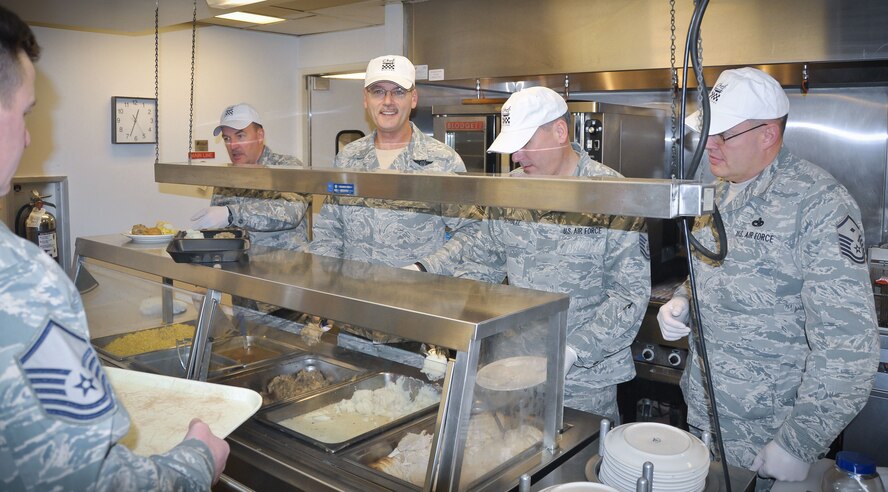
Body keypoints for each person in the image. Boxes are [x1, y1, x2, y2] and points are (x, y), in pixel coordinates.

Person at [0, 6, 230, 490]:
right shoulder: (21, 279)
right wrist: (197, 461)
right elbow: (86, 480)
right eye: (23, 113)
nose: (26, 136)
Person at [656, 67, 880, 487]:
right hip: (704, 413)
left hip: (770, 432)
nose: (711, 147)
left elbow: (849, 347)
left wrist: (798, 443)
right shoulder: (715, 191)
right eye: (708, 134)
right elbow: (711, 266)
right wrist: (684, 298)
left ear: (768, 135)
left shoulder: (818, 204)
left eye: (724, 135)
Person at [416, 87, 651, 423]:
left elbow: (629, 295)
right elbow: (483, 263)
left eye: (525, 144)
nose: (516, 157)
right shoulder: (510, 190)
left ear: (559, 131)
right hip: (512, 371)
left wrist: (573, 350)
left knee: (575, 465)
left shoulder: (612, 193)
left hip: (585, 379)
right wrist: (455, 318)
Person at [309, 55, 482, 342]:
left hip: (417, 320)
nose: (387, 101)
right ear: (366, 99)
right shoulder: (349, 157)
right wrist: (321, 290)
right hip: (354, 319)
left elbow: (473, 233)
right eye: (378, 91)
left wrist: (424, 268)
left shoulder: (441, 160)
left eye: (398, 92)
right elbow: (330, 230)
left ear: (413, 98)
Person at [190, 103, 310, 252]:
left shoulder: (287, 167)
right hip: (239, 266)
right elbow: (221, 229)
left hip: (284, 268)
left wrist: (231, 214)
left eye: (240, 136)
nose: (232, 145)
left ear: (260, 135)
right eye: (227, 138)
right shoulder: (226, 177)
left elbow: (290, 213)